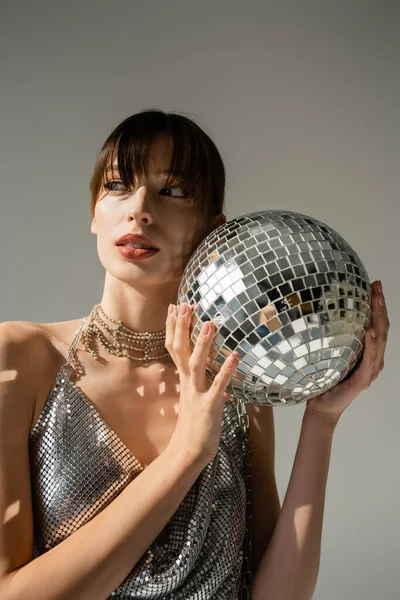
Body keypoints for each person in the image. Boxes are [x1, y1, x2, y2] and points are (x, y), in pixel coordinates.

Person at [0, 110, 389, 600]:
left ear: (216, 229)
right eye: (118, 185)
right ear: (93, 213)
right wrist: (186, 453)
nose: (139, 209)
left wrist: (322, 421)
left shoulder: (235, 378)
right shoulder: (19, 359)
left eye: (174, 191)